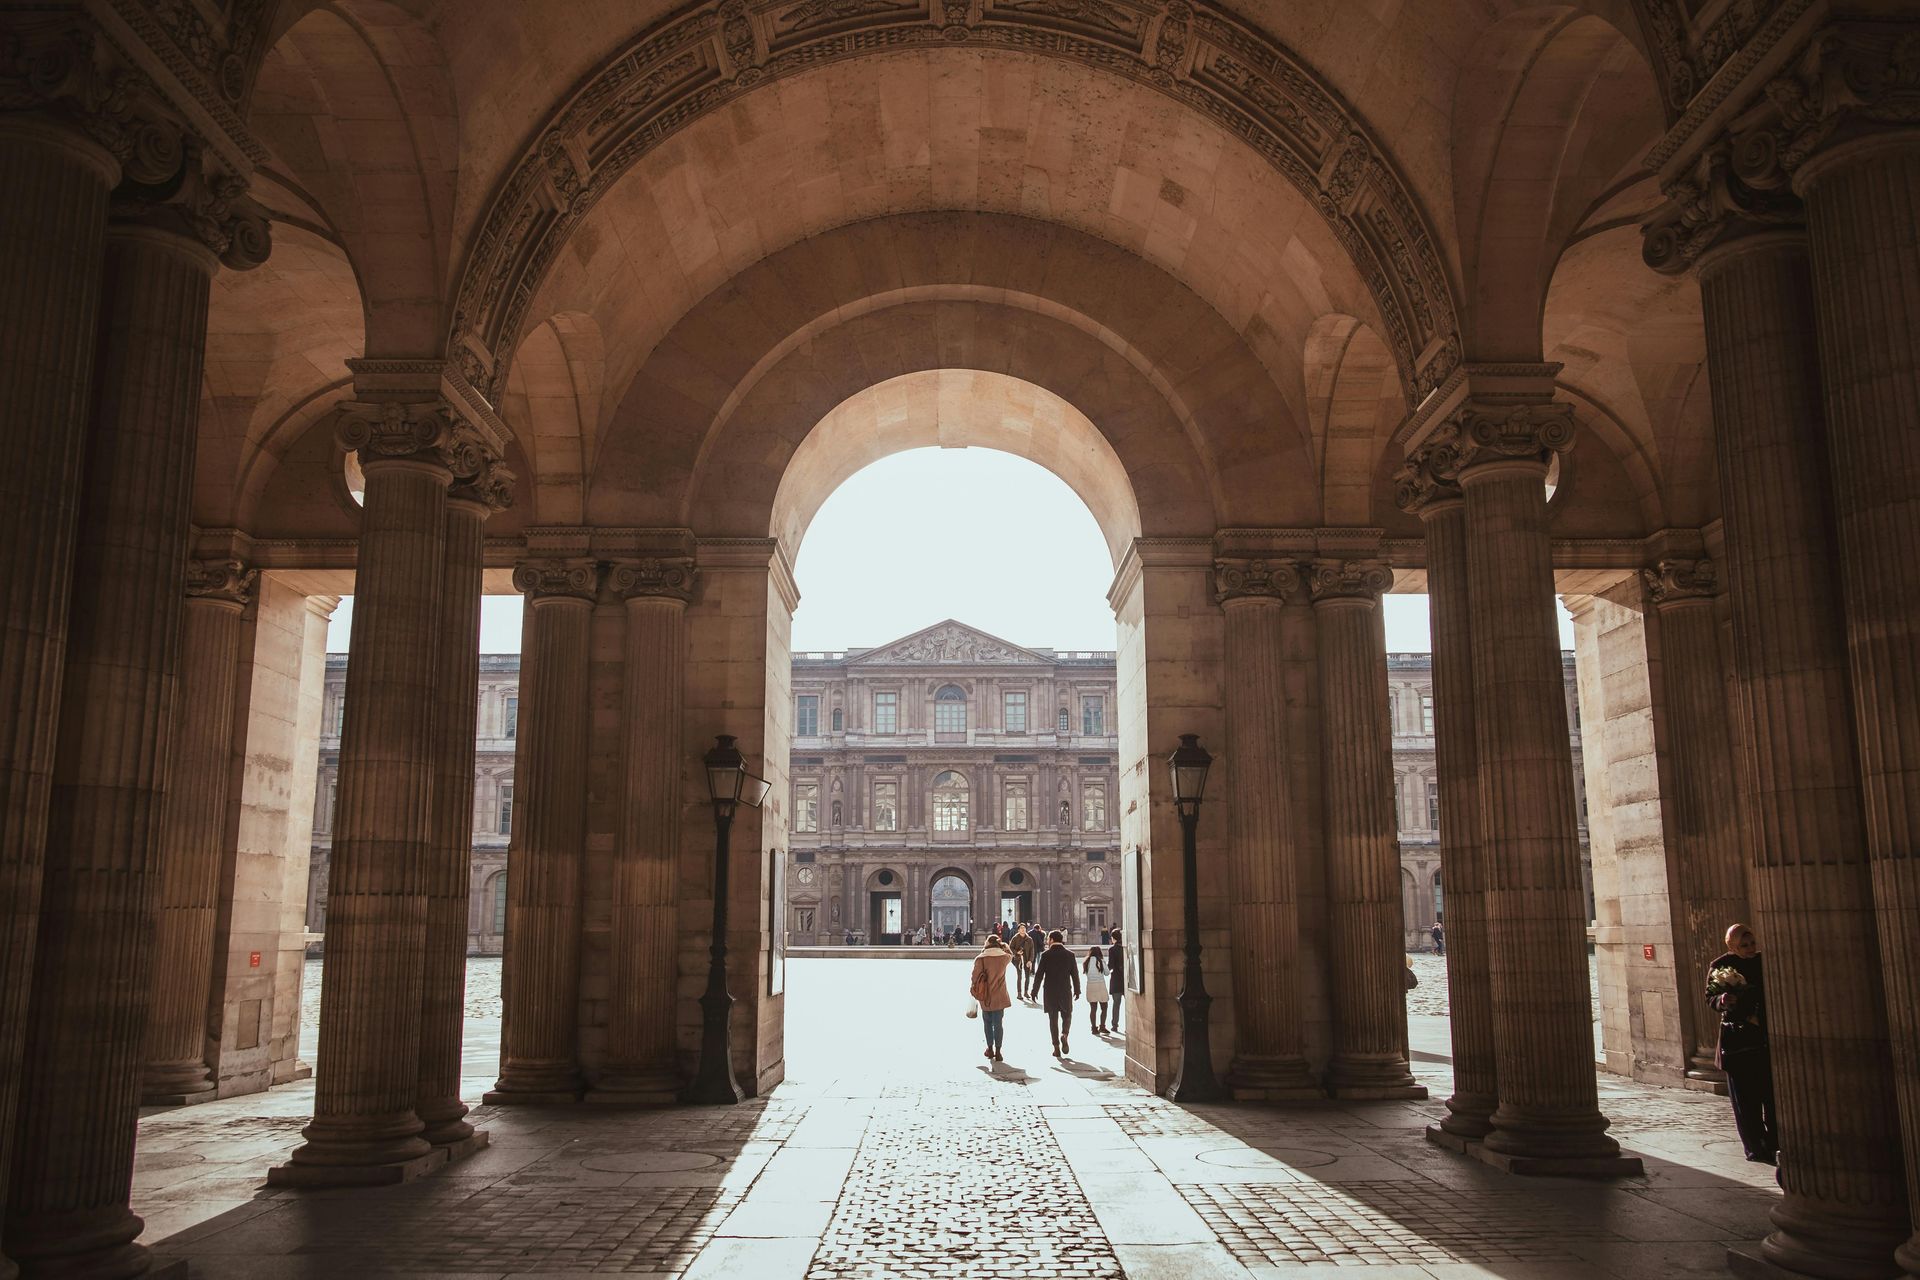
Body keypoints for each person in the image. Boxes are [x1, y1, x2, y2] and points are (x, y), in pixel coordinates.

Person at [1708, 922, 1777, 1164]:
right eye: (1744, 945)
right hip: (1737, 1042)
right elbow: (1711, 998)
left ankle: (1775, 1142)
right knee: (1745, 1101)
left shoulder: (1763, 962)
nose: (1750, 948)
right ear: (1733, 945)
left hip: (1764, 1038)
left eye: (1752, 943)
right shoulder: (1720, 966)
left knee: (1771, 1095)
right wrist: (1723, 1000)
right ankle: (1754, 1147)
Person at [1032, 929, 1082, 1056]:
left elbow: (1039, 975)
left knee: (1053, 1020)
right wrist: (1077, 990)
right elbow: (1075, 975)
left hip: (1050, 992)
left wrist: (1034, 991)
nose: (1047, 941)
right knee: (1067, 1015)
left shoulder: (1045, 955)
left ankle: (1056, 1047)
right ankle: (1064, 1034)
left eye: (1048, 939)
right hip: (1065, 990)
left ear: (1052, 940)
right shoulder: (1070, 955)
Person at [970, 934, 1014, 1063]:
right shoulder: (1004, 958)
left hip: (985, 996)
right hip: (1000, 996)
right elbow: (1010, 953)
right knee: (998, 1024)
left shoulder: (980, 959)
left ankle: (990, 1049)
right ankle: (999, 1051)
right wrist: (1004, 946)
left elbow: (974, 978)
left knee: (987, 1023)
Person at [1083, 945, 1110, 1034]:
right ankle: (1102, 1026)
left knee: (1093, 1008)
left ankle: (1094, 1028)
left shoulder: (1086, 962)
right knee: (1104, 1007)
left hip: (1090, 985)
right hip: (1100, 985)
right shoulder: (1101, 961)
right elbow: (1107, 973)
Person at [1107, 927, 1125, 1030]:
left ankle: (1115, 1025)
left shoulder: (1112, 949)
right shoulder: (1125, 947)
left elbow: (1111, 965)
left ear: (1113, 938)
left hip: (1116, 979)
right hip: (1127, 979)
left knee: (1116, 1003)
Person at [1010, 926, 1034, 999]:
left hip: (1027, 959)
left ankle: (1026, 992)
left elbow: (1032, 950)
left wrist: (1030, 960)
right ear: (1018, 930)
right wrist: (1016, 952)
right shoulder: (1015, 938)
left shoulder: (1029, 939)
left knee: (1027, 976)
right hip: (1018, 959)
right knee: (1019, 976)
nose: (1023, 929)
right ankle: (1019, 993)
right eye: (1021, 928)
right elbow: (1010, 947)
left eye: (1024, 928)